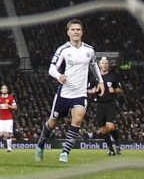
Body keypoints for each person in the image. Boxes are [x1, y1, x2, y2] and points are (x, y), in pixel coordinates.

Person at [34, 19, 104, 164]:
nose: (76, 32)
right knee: (52, 122)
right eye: (73, 29)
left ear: (82, 32)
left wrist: (101, 81)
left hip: (80, 93)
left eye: (78, 29)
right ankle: (40, 145)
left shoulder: (89, 50)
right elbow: (51, 68)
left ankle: (65, 152)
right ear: (68, 33)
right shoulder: (63, 50)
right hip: (64, 93)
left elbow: (94, 66)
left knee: (77, 119)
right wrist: (58, 75)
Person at [92, 56, 123, 156]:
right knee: (102, 129)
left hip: (111, 103)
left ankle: (117, 143)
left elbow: (121, 90)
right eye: (102, 63)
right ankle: (111, 149)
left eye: (106, 63)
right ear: (99, 65)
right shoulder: (95, 78)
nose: (104, 65)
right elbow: (88, 89)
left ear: (108, 65)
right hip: (100, 105)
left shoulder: (113, 76)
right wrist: (92, 91)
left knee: (110, 126)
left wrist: (114, 90)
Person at [0, 83, 17, 152]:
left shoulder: (10, 98)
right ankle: (7, 142)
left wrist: (9, 106)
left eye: (5, 88)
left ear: (7, 90)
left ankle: (9, 148)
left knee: (7, 134)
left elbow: (15, 107)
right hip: (1, 119)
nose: (4, 89)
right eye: (3, 88)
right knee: (0, 133)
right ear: (1, 90)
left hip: (9, 118)